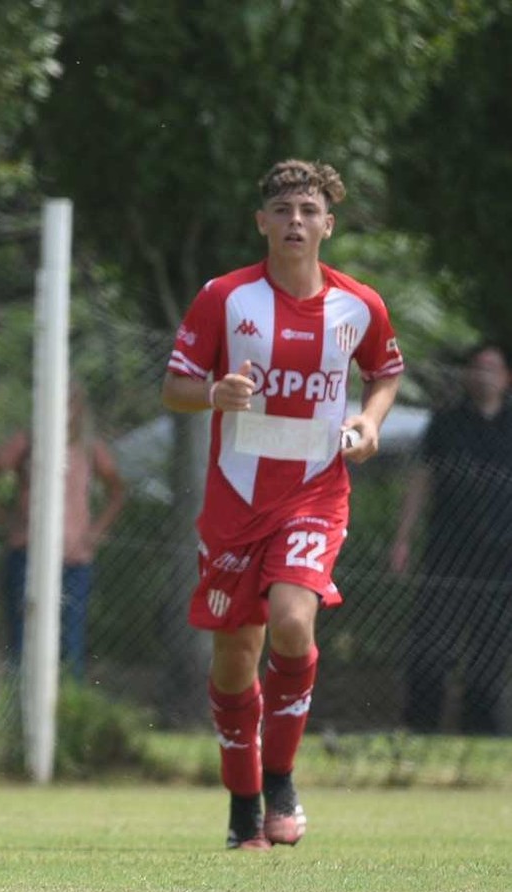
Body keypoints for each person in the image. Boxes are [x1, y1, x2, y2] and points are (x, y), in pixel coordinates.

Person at [162, 160, 404, 850]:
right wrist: (212, 393)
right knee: (235, 658)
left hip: (314, 493)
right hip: (235, 498)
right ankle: (243, 806)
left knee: (292, 621)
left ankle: (281, 779)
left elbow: (384, 371)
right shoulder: (224, 299)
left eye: (307, 210)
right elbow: (175, 385)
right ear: (261, 223)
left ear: (327, 224)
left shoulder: (358, 305)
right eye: (282, 210)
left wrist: (369, 422)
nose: (294, 221)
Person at [390, 343, 512, 734]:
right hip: (446, 552)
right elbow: (421, 479)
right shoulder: (446, 423)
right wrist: (403, 538)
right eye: (476, 367)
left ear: (506, 378)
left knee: (490, 648)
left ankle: (481, 733)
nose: (483, 375)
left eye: (492, 368)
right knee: (431, 644)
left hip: (501, 558)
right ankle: (420, 728)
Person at [0, 384, 126, 679]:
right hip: (29, 553)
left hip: (74, 558)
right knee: (24, 635)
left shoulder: (88, 447)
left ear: (79, 407)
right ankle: (19, 706)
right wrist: (5, 519)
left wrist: (95, 531)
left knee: (71, 639)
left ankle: (67, 708)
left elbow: (117, 490)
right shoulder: (28, 441)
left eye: (72, 400)